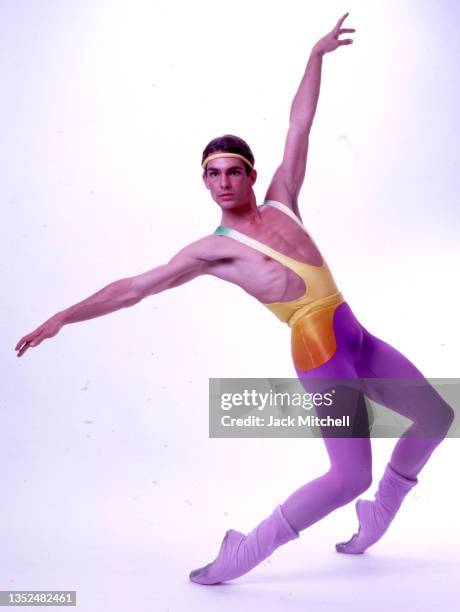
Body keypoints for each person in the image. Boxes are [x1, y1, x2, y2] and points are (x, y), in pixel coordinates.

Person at [15, 13, 454, 586]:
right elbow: (134, 288)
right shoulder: (211, 250)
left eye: (233, 171)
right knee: (348, 477)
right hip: (320, 351)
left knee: (437, 415)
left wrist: (315, 55)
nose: (223, 182)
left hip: (355, 335)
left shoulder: (282, 201)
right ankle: (243, 551)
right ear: (205, 182)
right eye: (212, 174)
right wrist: (63, 317)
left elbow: (301, 123)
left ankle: (380, 514)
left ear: (250, 175)